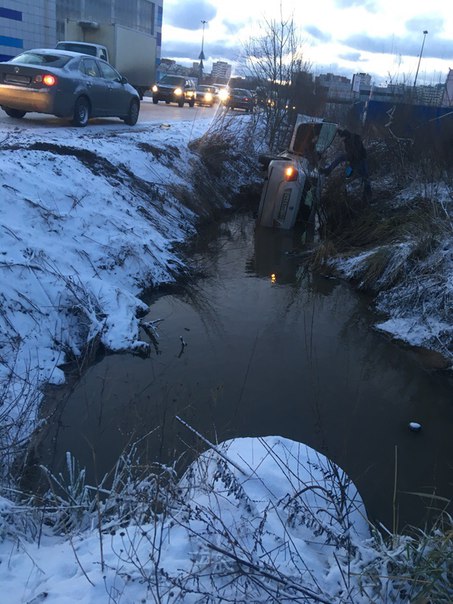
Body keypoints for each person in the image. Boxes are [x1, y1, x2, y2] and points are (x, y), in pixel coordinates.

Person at [320, 128, 372, 200]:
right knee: (342, 162)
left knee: (364, 176)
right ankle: (328, 171)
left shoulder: (353, 139)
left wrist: (350, 161)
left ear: (345, 136)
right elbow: (344, 133)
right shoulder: (348, 138)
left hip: (360, 160)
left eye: (342, 138)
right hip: (354, 160)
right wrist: (337, 130)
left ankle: (367, 194)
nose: (342, 140)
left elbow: (356, 153)